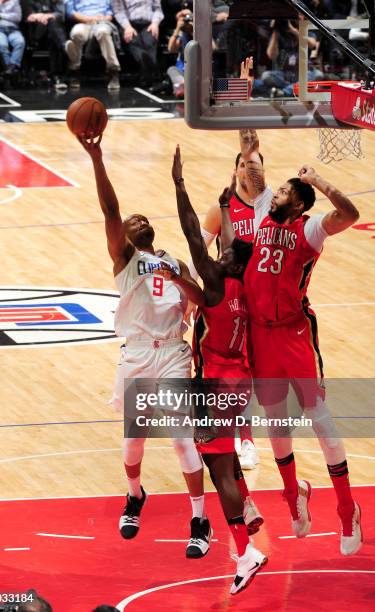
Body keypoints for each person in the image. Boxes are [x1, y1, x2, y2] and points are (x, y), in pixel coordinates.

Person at [78, 134, 212, 560]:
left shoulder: (174, 261)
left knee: (180, 438)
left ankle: (199, 519)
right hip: (136, 352)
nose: (134, 220)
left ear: (150, 230)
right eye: (129, 221)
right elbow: (110, 209)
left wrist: (178, 277)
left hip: (172, 351)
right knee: (134, 438)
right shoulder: (124, 260)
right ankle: (135, 495)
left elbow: (200, 297)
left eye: (140, 218)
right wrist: (97, 157)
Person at [239, 128, 362, 555]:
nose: (274, 195)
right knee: (276, 424)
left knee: (320, 419)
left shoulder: (310, 230)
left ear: (299, 200)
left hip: (293, 333)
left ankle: (348, 509)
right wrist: (246, 135)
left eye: (284, 191)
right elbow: (252, 169)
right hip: (260, 335)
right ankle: (295, 497)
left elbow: (350, 213)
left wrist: (319, 182)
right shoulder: (260, 214)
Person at [172, 144, 268, 596]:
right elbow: (230, 244)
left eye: (226, 252)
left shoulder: (214, 282)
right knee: (223, 462)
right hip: (239, 377)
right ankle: (246, 519)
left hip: (217, 384)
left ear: (229, 262)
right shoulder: (242, 281)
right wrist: (229, 203)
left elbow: (194, 234)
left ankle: (246, 551)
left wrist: (179, 186)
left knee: (218, 470)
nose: (220, 251)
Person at [187, 84, 260, 470]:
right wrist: (189, 298)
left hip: (255, 301)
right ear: (234, 171)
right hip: (223, 302)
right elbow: (198, 251)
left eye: (254, 165)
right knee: (212, 372)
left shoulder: (268, 209)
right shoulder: (222, 208)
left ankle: (245, 440)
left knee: (245, 372)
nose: (248, 170)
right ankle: (221, 434)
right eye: (244, 165)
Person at [65, 0, 121, 91]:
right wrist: (89, 19)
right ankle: (74, 70)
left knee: (102, 32)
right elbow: (70, 12)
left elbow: (111, 13)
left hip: (102, 22)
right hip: (83, 22)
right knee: (77, 33)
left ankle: (113, 70)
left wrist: (103, 19)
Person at [113, 0, 164, 87]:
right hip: (129, 24)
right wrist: (127, 27)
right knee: (135, 43)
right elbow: (118, 11)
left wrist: (155, 23)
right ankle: (150, 75)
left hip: (149, 23)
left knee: (149, 42)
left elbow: (158, 10)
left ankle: (148, 74)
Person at [22, 0, 69, 91]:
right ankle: (65, 46)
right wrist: (38, 16)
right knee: (53, 30)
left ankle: (56, 75)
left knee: (52, 32)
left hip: (50, 30)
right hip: (33, 30)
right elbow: (26, 16)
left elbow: (61, 14)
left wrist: (48, 16)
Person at [0, 0, 25, 76]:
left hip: (13, 28)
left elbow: (18, 17)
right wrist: (1, 2)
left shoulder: (14, 1)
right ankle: (10, 68)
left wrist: (0, 15)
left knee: (20, 42)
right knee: (2, 45)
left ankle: (11, 67)